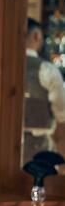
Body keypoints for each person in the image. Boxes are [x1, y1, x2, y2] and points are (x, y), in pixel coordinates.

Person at [23, 18, 65, 167]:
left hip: (0, 149)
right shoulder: (47, 70)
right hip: (40, 153)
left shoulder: (0, 67)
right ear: (37, 36)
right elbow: (61, 117)